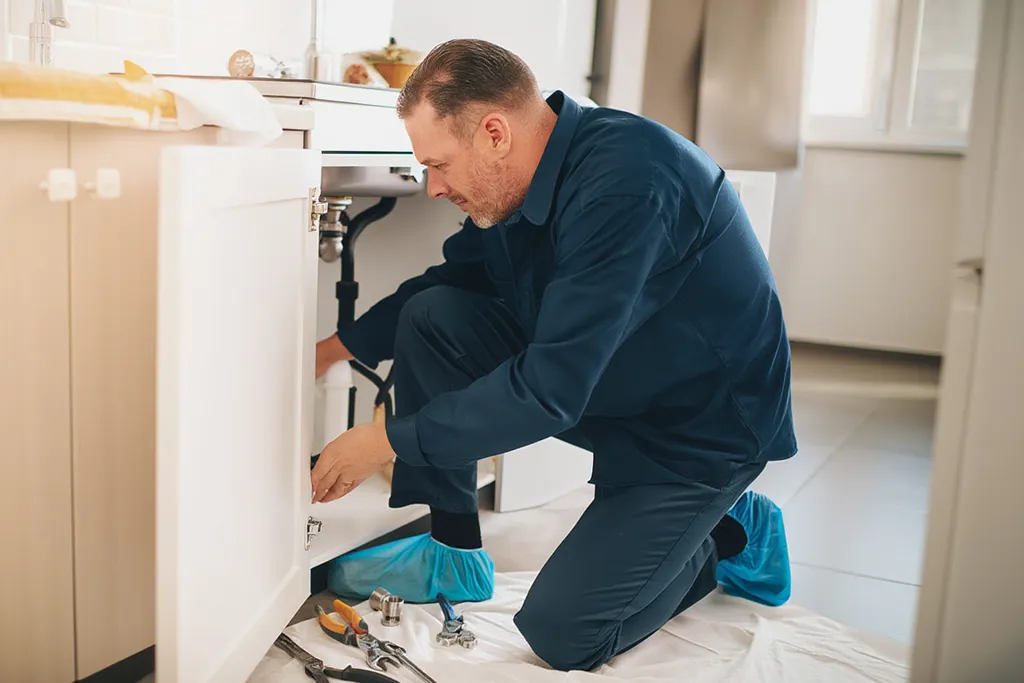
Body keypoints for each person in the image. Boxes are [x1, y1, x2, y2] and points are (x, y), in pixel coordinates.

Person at [310, 38, 797, 672]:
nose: (431, 188)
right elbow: (450, 284)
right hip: (618, 383)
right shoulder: (520, 179)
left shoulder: (630, 184)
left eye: (439, 164)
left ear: (493, 133)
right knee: (437, 317)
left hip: (697, 434)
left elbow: (550, 390)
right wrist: (328, 350)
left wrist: (388, 439)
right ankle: (452, 552)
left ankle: (730, 528)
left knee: (565, 633)